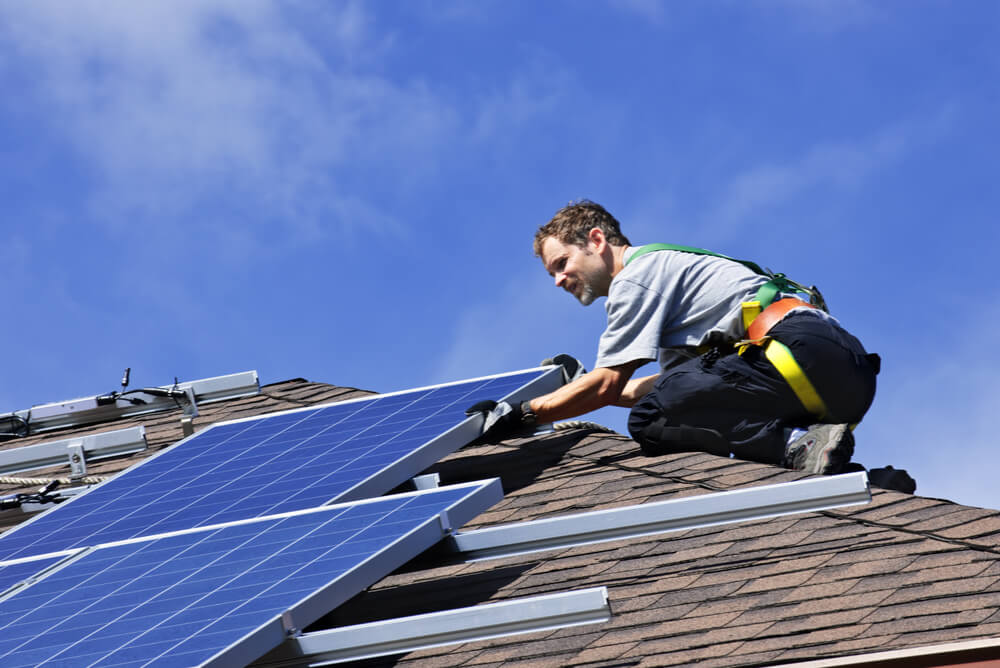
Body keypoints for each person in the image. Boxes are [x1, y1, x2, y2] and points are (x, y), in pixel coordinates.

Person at [466, 200, 881, 475]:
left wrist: (523, 413)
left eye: (562, 263)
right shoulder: (671, 280)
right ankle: (840, 472)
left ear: (596, 240)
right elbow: (662, 387)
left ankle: (795, 445)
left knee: (651, 421)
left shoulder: (636, 279)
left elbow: (613, 383)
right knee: (664, 402)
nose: (558, 280)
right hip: (843, 376)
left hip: (797, 357)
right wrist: (582, 390)